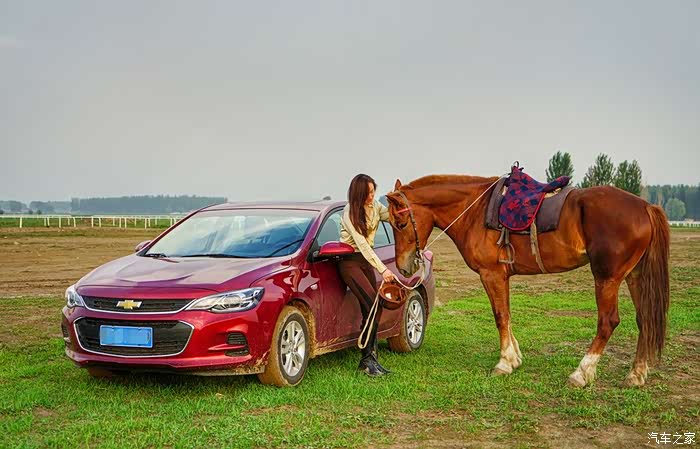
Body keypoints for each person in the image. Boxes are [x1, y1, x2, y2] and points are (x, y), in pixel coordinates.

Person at [338, 173, 397, 377]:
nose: (372, 196)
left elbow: (392, 217)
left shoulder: (376, 207)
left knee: (373, 307)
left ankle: (371, 358)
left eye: (373, 192)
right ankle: (366, 359)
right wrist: (383, 269)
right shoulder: (349, 211)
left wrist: (400, 202)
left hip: (365, 263)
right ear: (358, 194)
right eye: (368, 193)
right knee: (372, 304)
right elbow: (362, 244)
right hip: (350, 262)